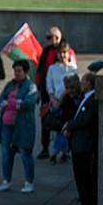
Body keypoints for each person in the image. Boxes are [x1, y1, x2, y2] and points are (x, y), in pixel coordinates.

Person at [0, 59, 39, 193]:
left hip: (23, 125)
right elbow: (0, 101)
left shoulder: (31, 86)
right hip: (7, 124)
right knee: (6, 153)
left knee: (25, 152)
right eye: (15, 71)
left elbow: (27, 103)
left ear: (26, 72)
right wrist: (11, 102)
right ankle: (6, 180)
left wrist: (11, 103)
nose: (16, 73)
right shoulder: (10, 84)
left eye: (19, 71)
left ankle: (29, 182)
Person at [64, 71, 99, 205]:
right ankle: (84, 202)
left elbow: (86, 120)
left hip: (84, 145)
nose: (81, 84)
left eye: (83, 81)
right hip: (79, 144)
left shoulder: (92, 99)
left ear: (89, 83)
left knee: (84, 177)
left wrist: (69, 125)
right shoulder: (86, 98)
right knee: (80, 176)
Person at [45, 42, 78, 164]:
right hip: (56, 101)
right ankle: (60, 151)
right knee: (58, 128)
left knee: (64, 128)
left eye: (65, 52)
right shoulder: (52, 68)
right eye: (60, 53)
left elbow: (75, 85)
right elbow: (49, 85)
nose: (62, 55)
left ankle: (57, 152)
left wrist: (65, 94)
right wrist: (53, 99)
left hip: (68, 101)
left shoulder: (73, 68)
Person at [35, 26, 66, 159]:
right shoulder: (46, 51)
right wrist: (38, 89)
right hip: (46, 92)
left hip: (62, 94)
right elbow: (40, 71)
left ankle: (63, 150)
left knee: (63, 121)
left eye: (49, 37)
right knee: (45, 120)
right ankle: (45, 148)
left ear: (57, 38)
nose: (46, 40)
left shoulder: (65, 49)